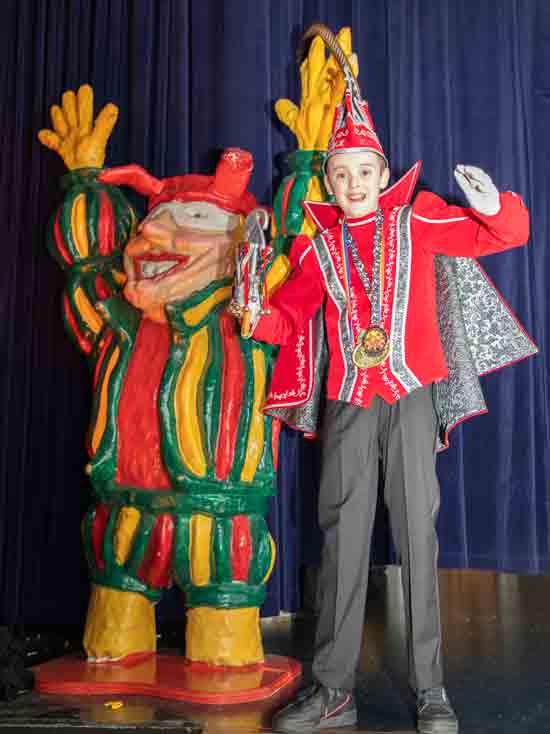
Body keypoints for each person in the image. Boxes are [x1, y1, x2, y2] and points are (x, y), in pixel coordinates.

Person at [245, 79, 531, 734]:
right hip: (349, 401)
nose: (353, 184)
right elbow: (288, 320)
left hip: (410, 394)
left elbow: (502, 236)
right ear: (330, 181)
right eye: (341, 173)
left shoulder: (417, 219)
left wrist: (493, 205)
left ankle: (432, 689)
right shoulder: (317, 247)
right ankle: (332, 691)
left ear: (383, 174)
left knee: (416, 537)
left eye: (364, 171)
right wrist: (255, 313)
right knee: (341, 540)